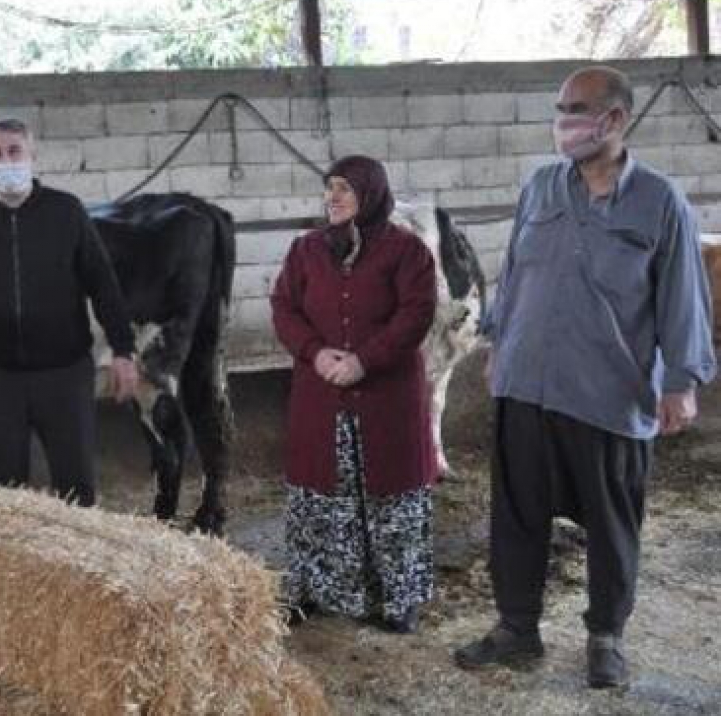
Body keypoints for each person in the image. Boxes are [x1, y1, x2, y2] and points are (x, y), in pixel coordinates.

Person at [454, 66, 715, 688]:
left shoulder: (659, 202)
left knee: (612, 518)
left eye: (577, 109)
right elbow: (515, 270)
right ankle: (518, 627)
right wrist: (496, 339)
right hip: (525, 382)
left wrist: (681, 380)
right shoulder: (541, 188)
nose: (564, 122)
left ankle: (605, 636)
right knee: (517, 512)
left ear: (616, 119)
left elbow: (683, 296)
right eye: (561, 109)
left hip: (608, 390)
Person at [270, 155, 439, 634]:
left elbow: (415, 314)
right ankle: (318, 590)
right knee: (321, 497)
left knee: (392, 501)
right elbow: (284, 308)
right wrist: (314, 352)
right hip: (320, 397)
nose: (334, 197)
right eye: (330, 188)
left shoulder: (408, 252)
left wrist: (365, 359)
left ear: (371, 193)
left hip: (387, 400)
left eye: (345, 188)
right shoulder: (305, 251)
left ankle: (397, 597)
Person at [0, 118, 139, 508]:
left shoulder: (66, 212)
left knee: (76, 485)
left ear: (32, 157)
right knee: (7, 494)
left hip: (63, 373)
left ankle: (78, 566)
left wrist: (124, 351)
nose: (6, 160)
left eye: (14, 151)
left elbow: (104, 285)